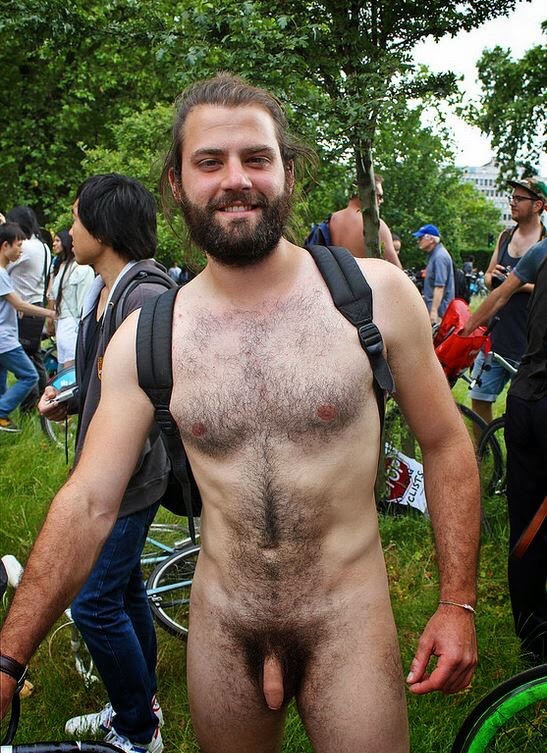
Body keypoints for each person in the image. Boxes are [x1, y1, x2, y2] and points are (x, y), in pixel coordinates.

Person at [0, 75, 480, 753]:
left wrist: (457, 603)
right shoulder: (150, 336)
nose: (236, 179)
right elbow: (88, 501)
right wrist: (8, 657)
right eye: (210, 161)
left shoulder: (373, 295)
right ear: (176, 183)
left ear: (288, 172)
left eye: (257, 158)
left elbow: (446, 443)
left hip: (348, 621)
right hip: (223, 631)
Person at [38, 175, 174, 753]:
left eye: (76, 218)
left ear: (103, 226)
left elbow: (154, 397)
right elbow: (109, 380)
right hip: (115, 474)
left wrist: (107, 471)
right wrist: (71, 400)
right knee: (124, 590)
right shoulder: (105, 289)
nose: (69, 231)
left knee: (92, 602)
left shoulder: (145, 296)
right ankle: (140, 705)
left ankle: (137, 732)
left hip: (128, 480)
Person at [462, 235, 547, 664]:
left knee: (527, 522)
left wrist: (461, 332)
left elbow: (496, 297)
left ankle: (533, 640)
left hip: (524, 400)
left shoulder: (541, 251)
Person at [468, 177, 546, 427]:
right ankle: (486, 446)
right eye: (512, 197)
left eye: (519, 199)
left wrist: (517, 285)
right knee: (479, 398)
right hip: (496, 336)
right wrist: (494, 278)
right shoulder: (505, 236)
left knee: (525, 407)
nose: (512, 203)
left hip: (528, 342)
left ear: (538, 205)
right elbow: (489, 278)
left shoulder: (543, 242)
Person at [0, 223, 56, 432]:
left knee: (1, 384)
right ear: (5, 245)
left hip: (4, 338)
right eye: (18, 245)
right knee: (30, 375)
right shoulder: (1, 274)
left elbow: (12, 303)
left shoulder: (3, 274)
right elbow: (20, 304)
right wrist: (51, 313)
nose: (21, 250)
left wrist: (14, 308)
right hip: (5, 340)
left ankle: (3, 419)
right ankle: (1, 411)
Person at [5, 207, 52, 408]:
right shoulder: (43, 246)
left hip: (25, 309)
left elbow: (4, 262)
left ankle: (29, 404)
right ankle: (43, 399)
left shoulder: (26, 247)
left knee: (25, 360)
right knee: (35, 355)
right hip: (35, 305)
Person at [329, 176, 402, 268]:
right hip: (362, 276)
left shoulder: (332, 219)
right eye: (379, 196)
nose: (382, 201)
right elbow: (395, 267)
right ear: (368, 194)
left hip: (331, 275)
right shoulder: (375, 225)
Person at [46, 230, 95, 369]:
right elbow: (84, 306)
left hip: (66, 325)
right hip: (69, 325)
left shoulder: (76, 268)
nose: (54, 244)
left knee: (66, 370)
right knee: (69, 371)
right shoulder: (63, 266)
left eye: (58, 240)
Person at [413, 223, 455, 324]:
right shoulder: (434, 255)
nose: (418, 241)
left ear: (431, 239)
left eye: (421, 238)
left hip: (440, 312)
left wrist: (433, 311)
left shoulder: (440, 257)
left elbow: (440, 286)